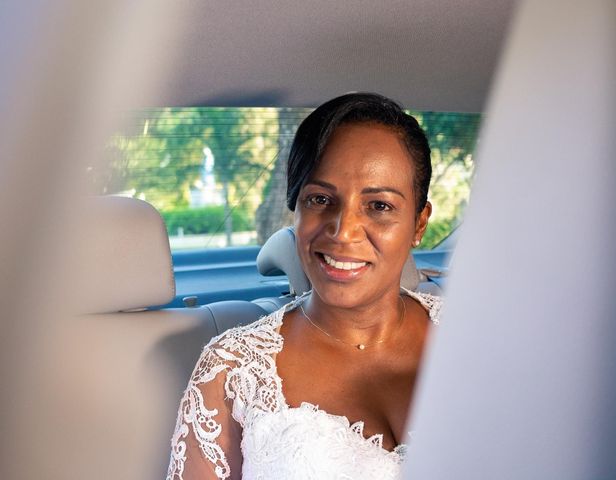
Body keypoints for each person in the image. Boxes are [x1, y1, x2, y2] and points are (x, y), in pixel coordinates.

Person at [166, 92, 442, 480]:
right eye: (320, 199)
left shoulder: (476, 338)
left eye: (379, 206)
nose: (343, 231)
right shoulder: (232, 372)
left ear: (418, 223)